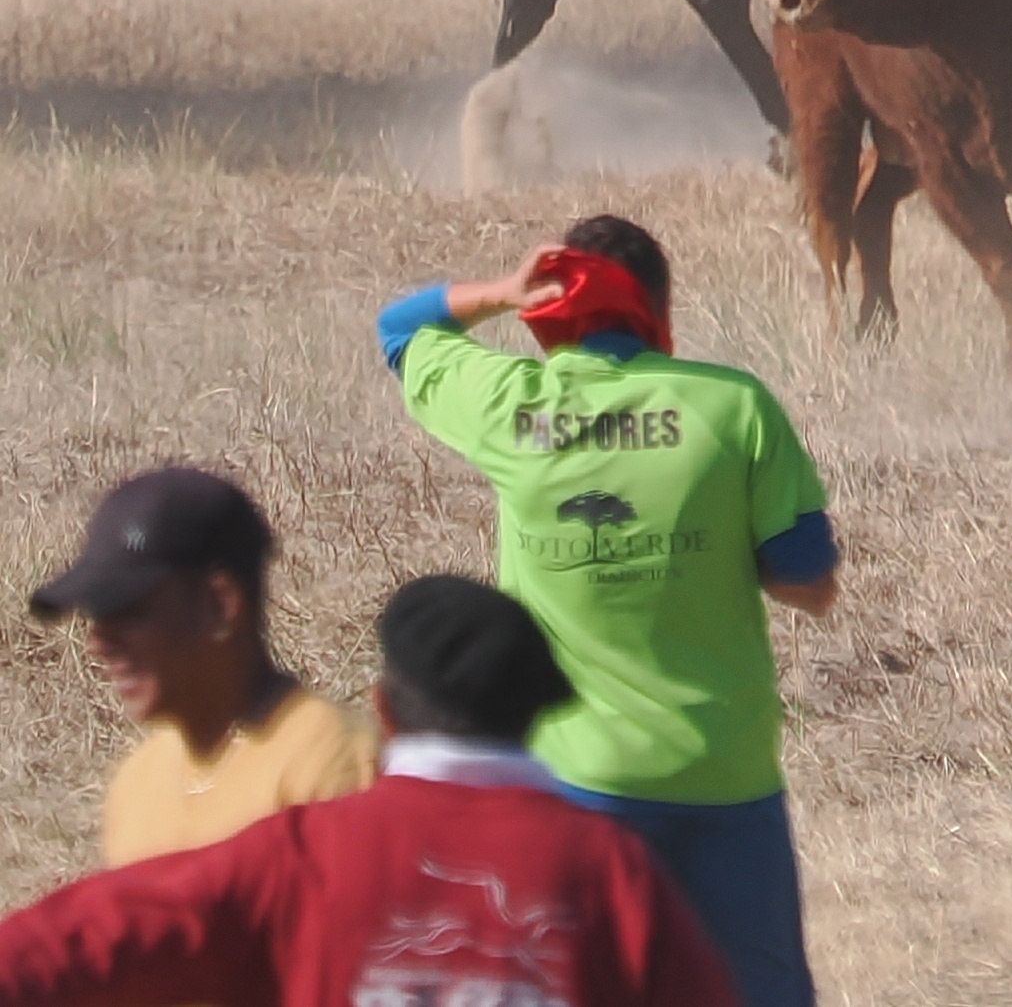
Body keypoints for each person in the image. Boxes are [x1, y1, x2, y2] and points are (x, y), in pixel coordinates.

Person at [376, 213, 839, 1007]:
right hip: (723, 775)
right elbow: (808, 581)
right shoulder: (734, 407)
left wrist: (501, 290)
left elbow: (400, 328)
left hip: (571, 784)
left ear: (552, 307)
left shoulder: (510, 406)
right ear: (658, 308)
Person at [0, 575, 738, 1006]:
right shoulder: (609, 868)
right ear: (533, 718)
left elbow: (83, 938)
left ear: (384, 708)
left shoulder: (307, 852)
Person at [30, 467, 373, 868]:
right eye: (96, 615)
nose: (98, 642)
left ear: (219, 605)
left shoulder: (330, 764)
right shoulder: (138, 785)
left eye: (127, 610)